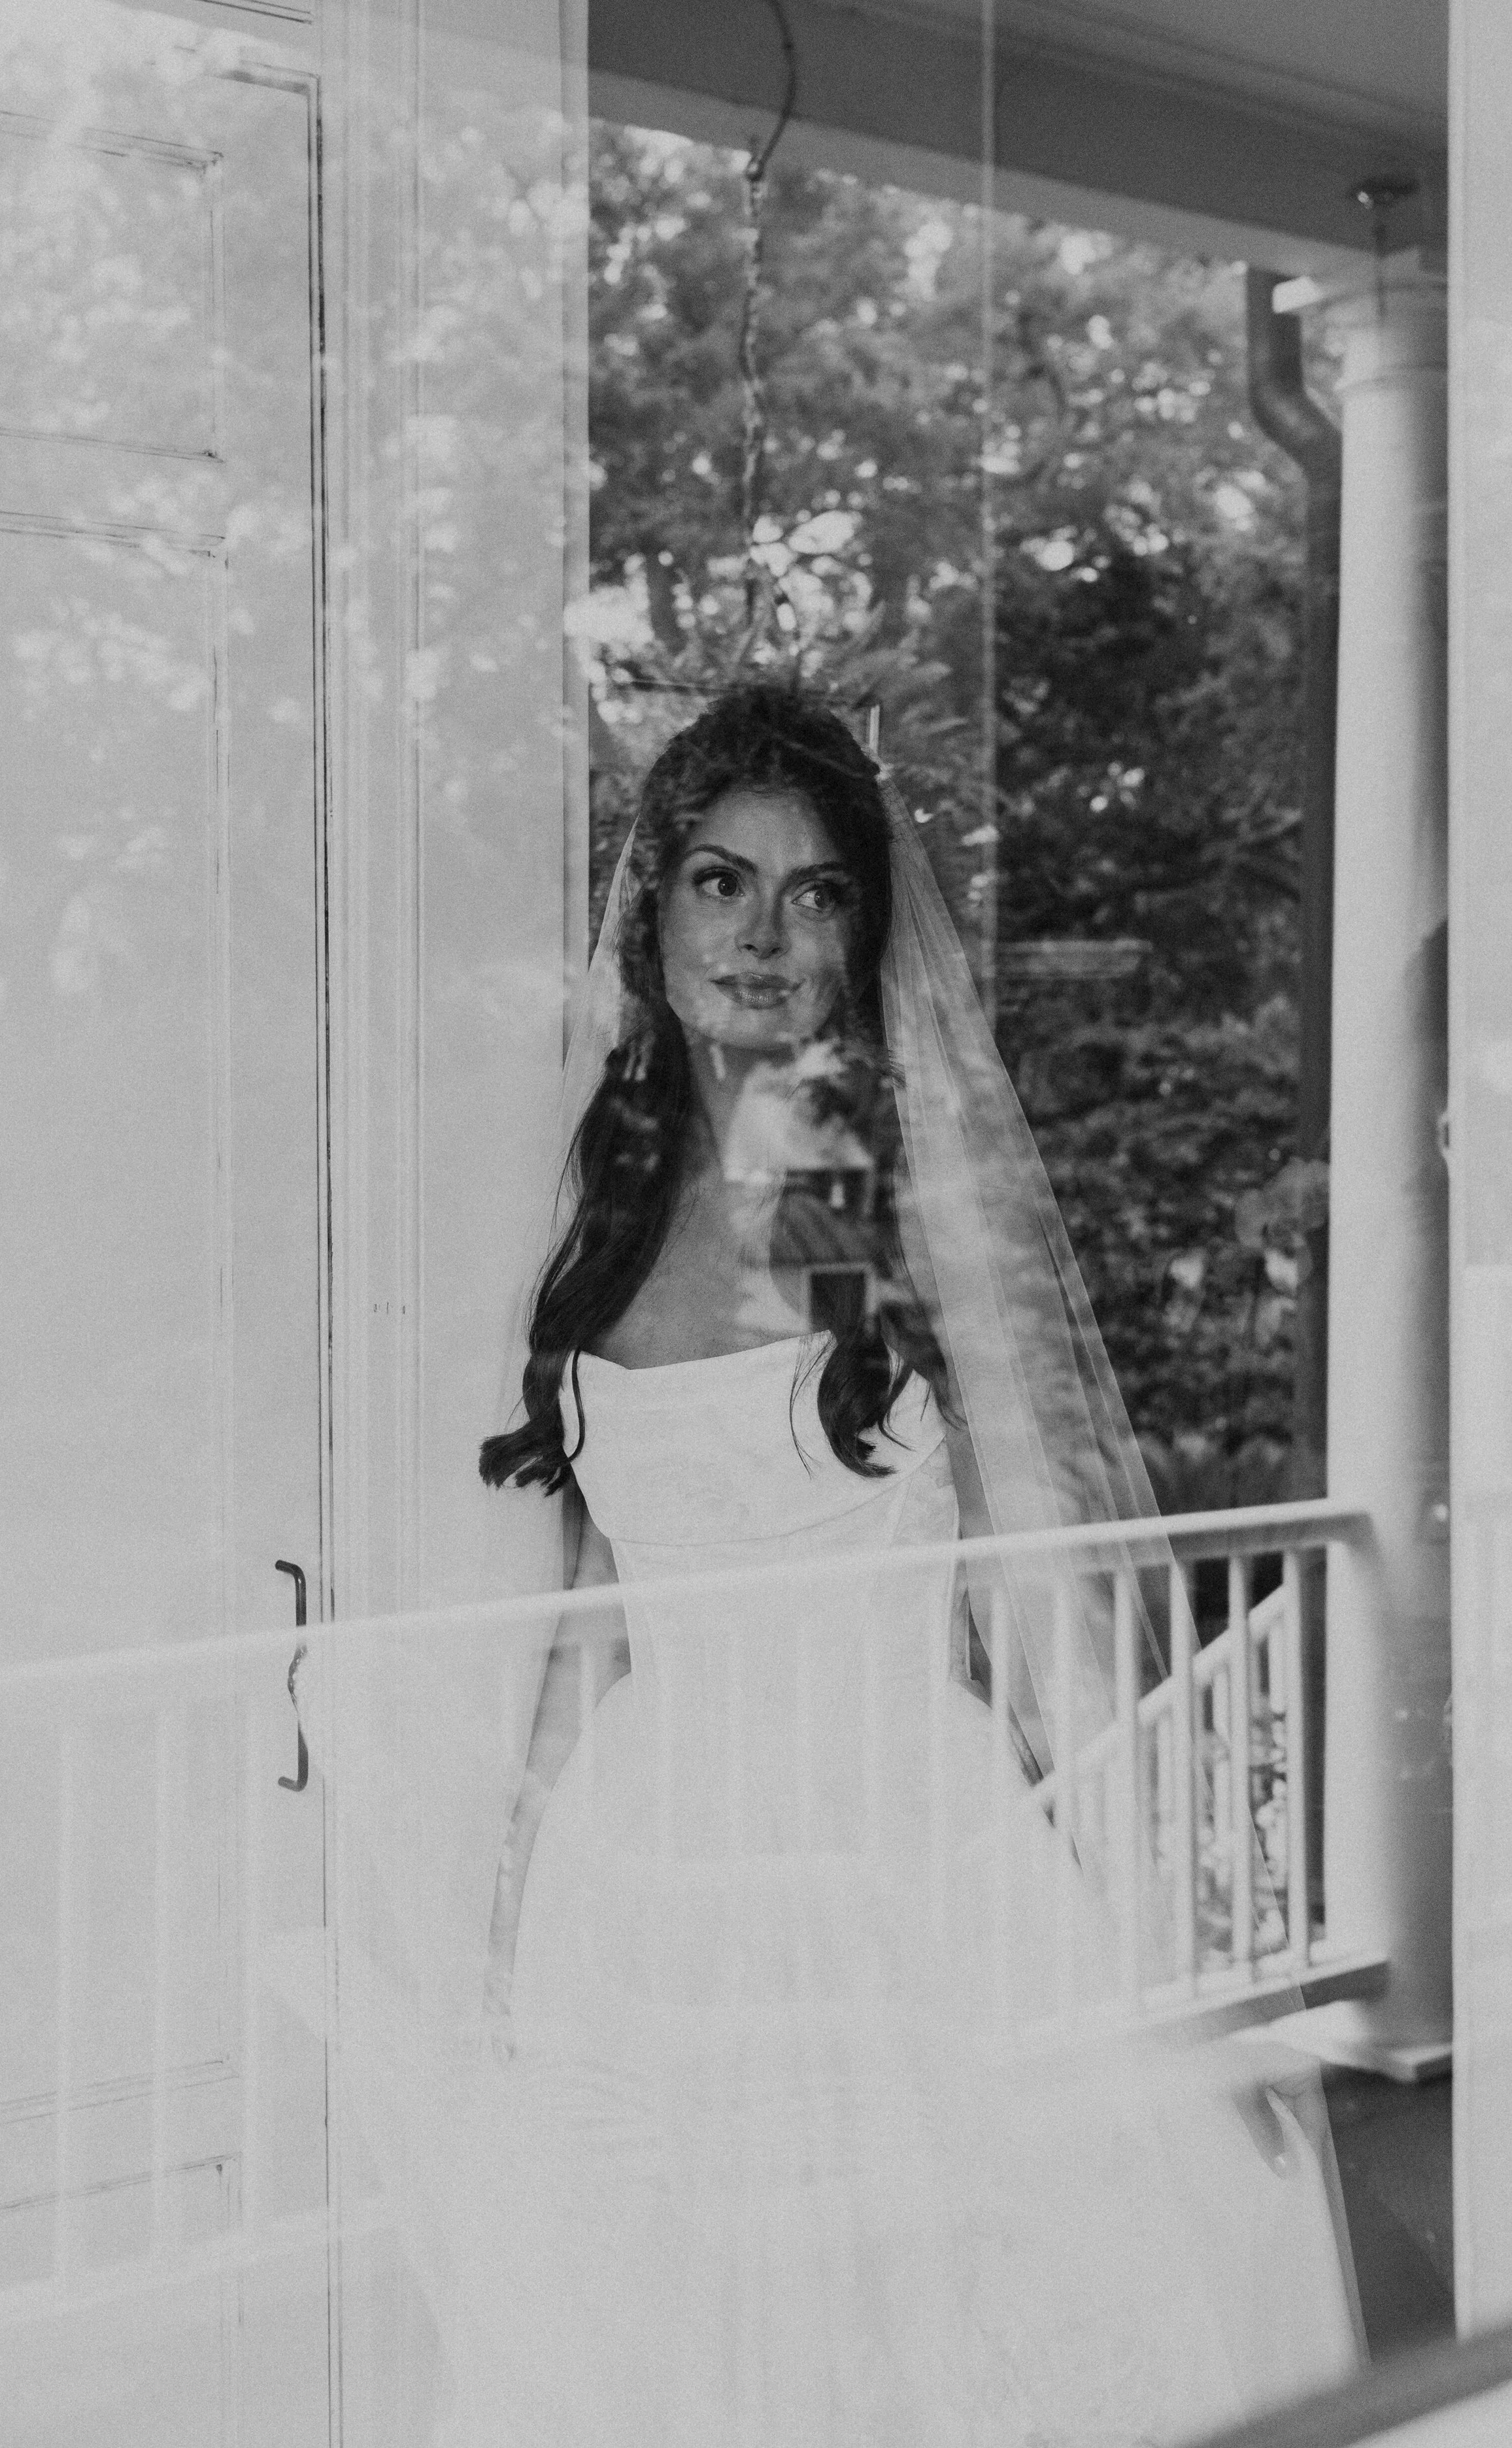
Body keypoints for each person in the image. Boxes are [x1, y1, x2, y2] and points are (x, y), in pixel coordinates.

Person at [303, 682, 1362, 2443]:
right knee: (664, 2331)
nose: (764, 933)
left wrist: (1148, 1937)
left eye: (814, 892)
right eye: (720, 883)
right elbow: (582, 1621)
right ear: (652, 914)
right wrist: (502, 1902)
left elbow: (1027, 1565)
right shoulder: (605, 1193)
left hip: (884, 1854)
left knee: (911, 2323)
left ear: (867, 927)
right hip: (643, 1873)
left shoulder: (863, 1184)